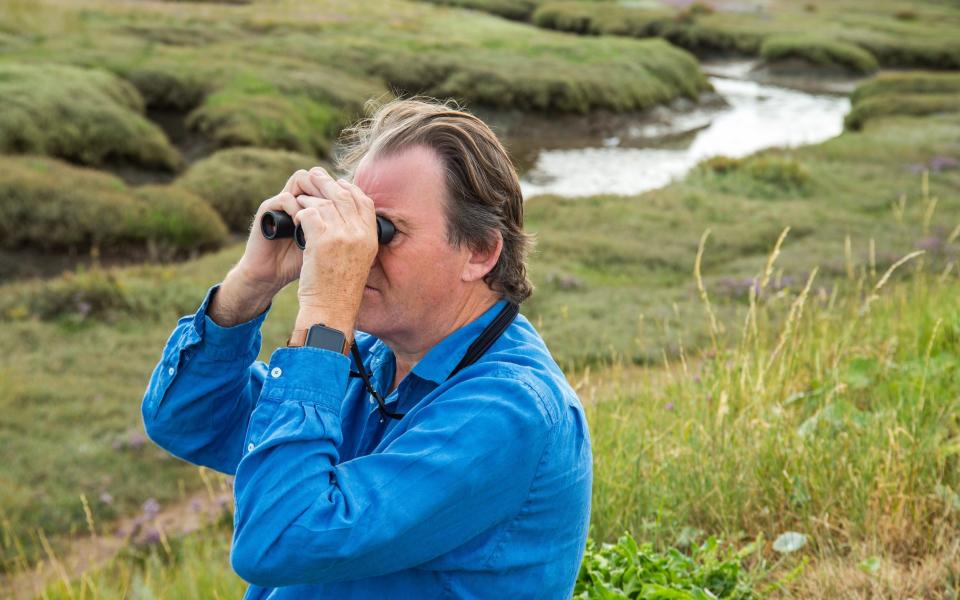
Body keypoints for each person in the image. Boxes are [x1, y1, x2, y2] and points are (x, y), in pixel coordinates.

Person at [141, 98, 592, 599]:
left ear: (480, 251)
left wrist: (325, 315)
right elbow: (185, 419)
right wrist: (251, 284)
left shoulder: (510, 411)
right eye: (354, 223)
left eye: (384, 231)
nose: (358, 251)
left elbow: (278, 541)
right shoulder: (376, 357)